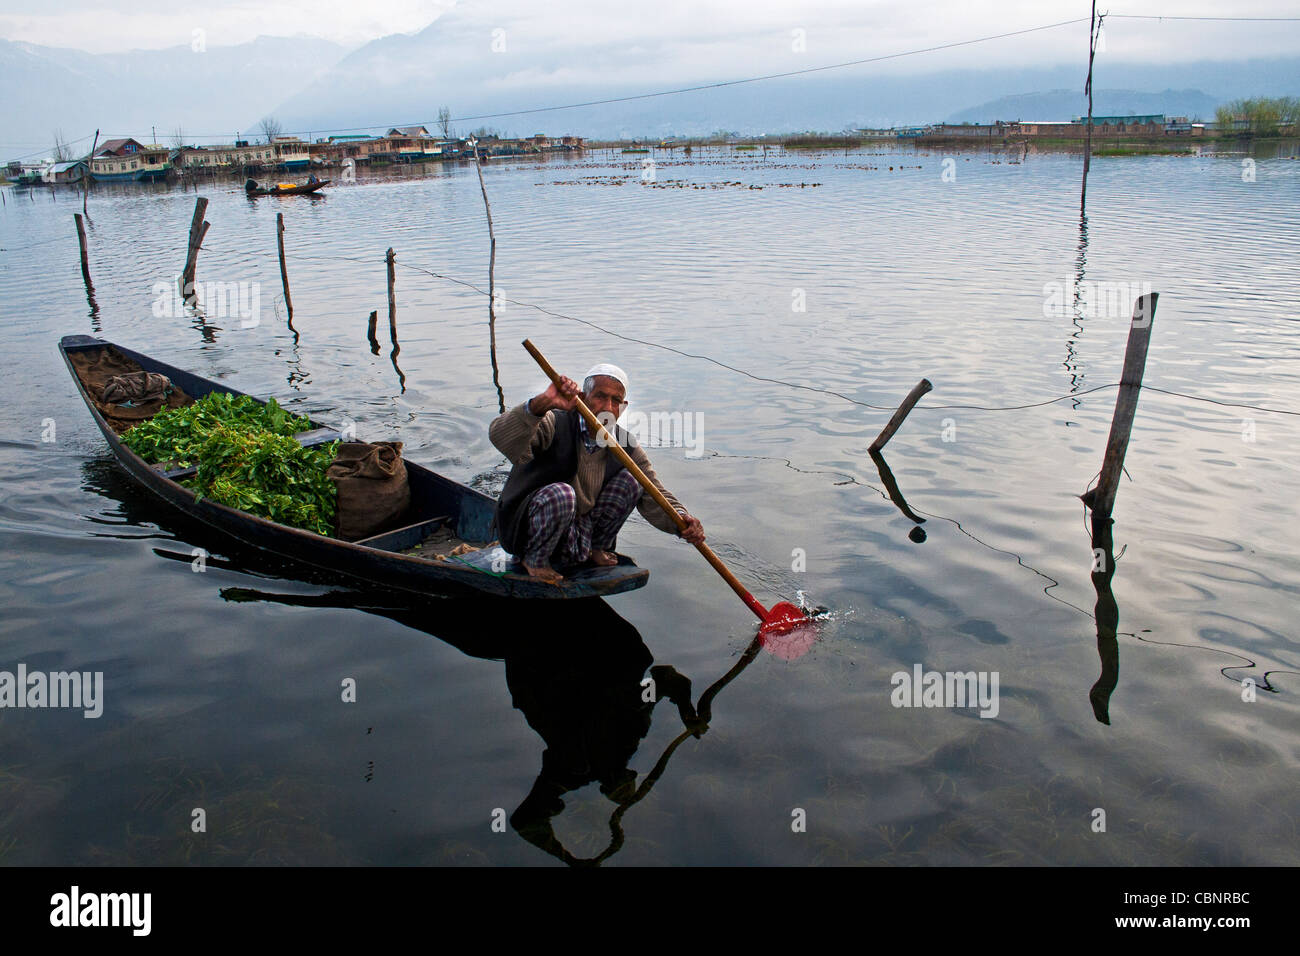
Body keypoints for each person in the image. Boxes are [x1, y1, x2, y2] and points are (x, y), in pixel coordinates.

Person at [490, 363, 705, 583]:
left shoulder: (625, 444)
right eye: (600, 397)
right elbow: (500, 435)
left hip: (577, 531)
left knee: (633, 480)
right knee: (563, 494)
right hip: (528, 529)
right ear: (583, 397)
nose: (608, 407)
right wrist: (540, 404)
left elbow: (655, 491)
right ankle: (535, 560)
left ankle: (595, 548)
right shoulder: (555, 421)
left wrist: (682, 520)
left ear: (623, 407)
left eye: (616, 401)